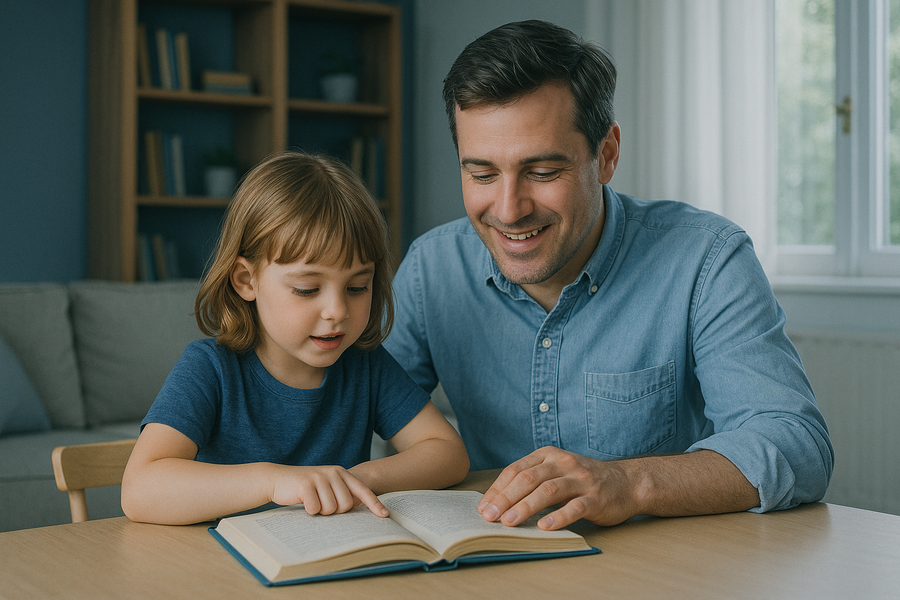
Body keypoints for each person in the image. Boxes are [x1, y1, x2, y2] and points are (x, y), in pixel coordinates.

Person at [384, 20, 833, 531]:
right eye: (482, 174)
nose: (508, 210)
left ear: (607, 155)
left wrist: (628, 482)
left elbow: (797, 446)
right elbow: (349, 406)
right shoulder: (431, 269)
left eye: (543, 172)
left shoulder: (706, 259)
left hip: (662, 571)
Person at [122, 151, 469, 525]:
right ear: (246, 280)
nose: (337, 311)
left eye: (357, 287)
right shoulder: (210, 369)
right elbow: (140, 488)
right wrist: (273, 482)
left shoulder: (365, 365)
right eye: (306, 289)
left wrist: (356, 479)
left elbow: (448, 453)